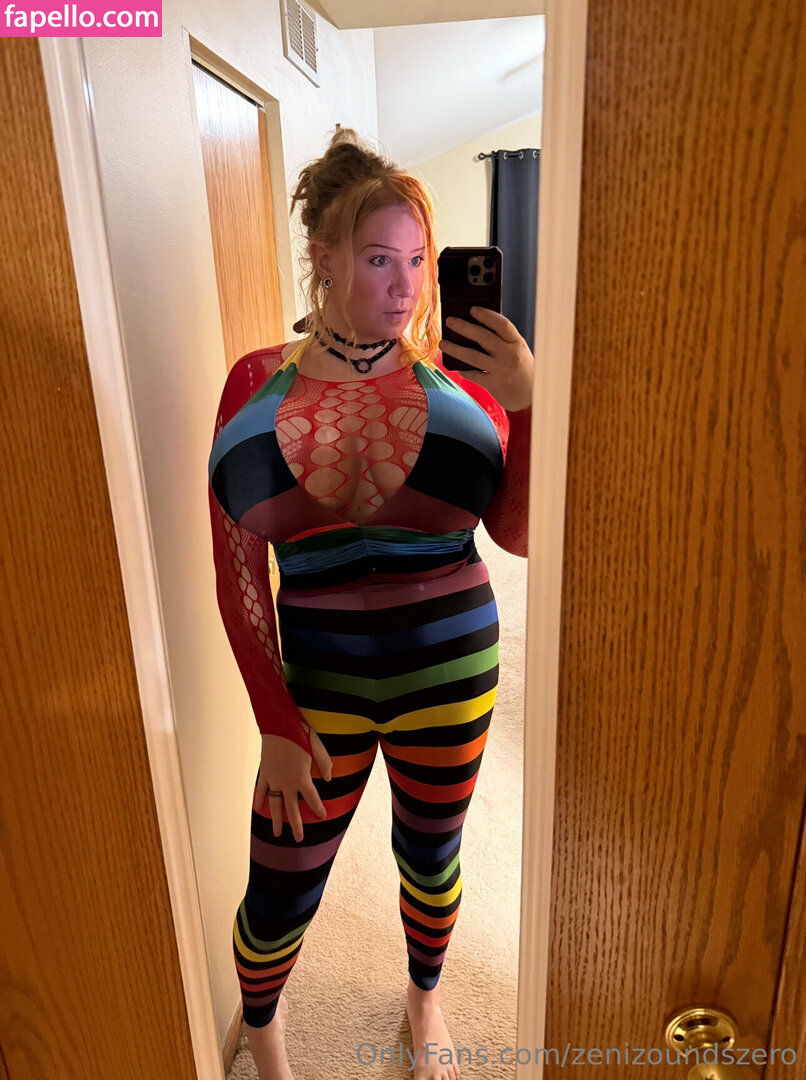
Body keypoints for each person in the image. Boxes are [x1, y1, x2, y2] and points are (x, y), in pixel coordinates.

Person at [207, 128, 533, 1080]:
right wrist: (274, 721)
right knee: (282, 880)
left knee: (432, 858)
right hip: (320, 687)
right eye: (381, 259)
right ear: (323, 258)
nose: (407, 286)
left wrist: (531, 402)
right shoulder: (255, 381)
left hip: (454, 672)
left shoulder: (468, 382)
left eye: (419, 261)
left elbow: (516, 534)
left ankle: (425, 1002)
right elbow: (237, 567)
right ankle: (264, 1038)